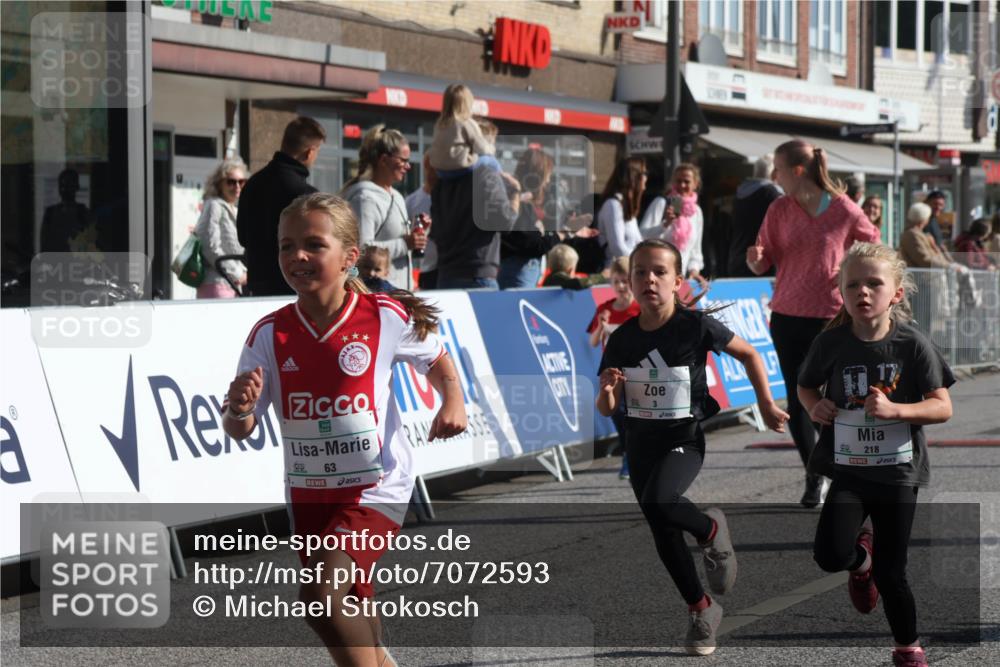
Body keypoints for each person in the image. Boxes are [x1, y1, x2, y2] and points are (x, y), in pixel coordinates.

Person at [223, 192, 466, 667]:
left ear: (350, 257)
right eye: (286, 246)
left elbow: (437, 359)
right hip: (311, 492)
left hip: (377, 487)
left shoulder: (383, 317)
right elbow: (241, 428)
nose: (297, 257)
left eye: (313, 245)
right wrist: (239, 408)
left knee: (320, 597)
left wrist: (452, 399)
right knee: (351, 600)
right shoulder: (268, 334)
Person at [597, 239, 789, 656]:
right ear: (629, 281)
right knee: (661, 529)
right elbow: (607, 404)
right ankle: (701, 610)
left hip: (684, 441)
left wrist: (766, 403)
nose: (650, 279)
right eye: (641, 272)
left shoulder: (694, 326)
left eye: (659, 272)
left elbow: (750, 354)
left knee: (662, 503)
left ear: (677, 280)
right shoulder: (622, 339)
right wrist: (609, 391)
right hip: (640, 443)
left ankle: (711, 528)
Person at [798, 242, 954, 667]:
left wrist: (897, 409)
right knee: (831, 555)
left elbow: (941, 406)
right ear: (841, 293)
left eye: (874, 283)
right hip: (848, 469)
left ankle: (908, 648)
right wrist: (815, 406)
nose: (863, 292)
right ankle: (858, 560)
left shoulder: (912, 345)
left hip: (898, 473)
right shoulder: (829, 344)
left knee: (893, 572)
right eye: (853, 285)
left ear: (897, 293)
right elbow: (806, 386)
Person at [746, 139, 880, 508]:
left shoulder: (843, 209)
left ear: (798, 171)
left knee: (834, 398)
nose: (774, 176)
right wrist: (755, 260)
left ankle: (841, 468)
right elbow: (763, 260)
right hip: (787, 314)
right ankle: (814, 473)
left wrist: (852, 273)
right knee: (798, 398)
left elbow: (875, 247)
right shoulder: (779, 208)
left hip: (830, 315)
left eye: (778, 168)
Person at [237, 116, 325, 296]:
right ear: (309, 152)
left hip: (258, 285)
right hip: (295, 286)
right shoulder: (306, 194)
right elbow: (318, 245)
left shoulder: (253, 183)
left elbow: (242, 237)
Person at [499, 148, 599, 289]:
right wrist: (566, 231)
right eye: (547, 176)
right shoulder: (519, 204)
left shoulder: (523, 203)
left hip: (523, 272)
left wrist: (569, 230)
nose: (548, 181)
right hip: (519, 273)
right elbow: (536, 245)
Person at [341, 125, 425, 291]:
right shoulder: (364, 198)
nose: (408, 167)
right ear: (384, 160)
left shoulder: (397, 196)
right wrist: (404, 244)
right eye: (403, 160)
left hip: (398, 294)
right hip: (375, 297)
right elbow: (361, 250)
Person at [430, 142, 521, 290]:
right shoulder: (487, 174)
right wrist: (515, 192)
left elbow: (435, 232)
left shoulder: (442, 181)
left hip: (447, 274)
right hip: (478, 274)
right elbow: (506, 222)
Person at [587, 256, 640, 480]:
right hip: (611, 372)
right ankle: (628, 454)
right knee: (618, 414)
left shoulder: (639, 308)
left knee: (633, 416)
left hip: (637, 371)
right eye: (616, 281)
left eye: (625, 281)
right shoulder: (605, 308)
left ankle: (635, 456)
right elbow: (593, 341)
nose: (620, 286)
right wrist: (602, 325)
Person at [639, 163, 708, 287]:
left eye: (686, 182)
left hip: (679, 280)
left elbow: (695, 250)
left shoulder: (696, 212)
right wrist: (664, 225)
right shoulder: (661, 203)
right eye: (678, 181)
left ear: (695, 185)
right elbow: (641, 236)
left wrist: (694, 271)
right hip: (655, 279)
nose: (682, 185)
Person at [194, 158, 247, 298]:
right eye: (231, 181)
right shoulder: (214, 205)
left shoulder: (233, 208)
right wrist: (237, 273)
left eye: (241, 182)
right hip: (217, 284)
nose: (237, 186)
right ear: (219, 183)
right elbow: (209, 245)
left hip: (231, 284)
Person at [427, 84, 498, 179]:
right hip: (460, 167)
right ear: (467, 103)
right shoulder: (466, 123)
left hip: (440, 170)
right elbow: (482, 148)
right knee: (491, 161)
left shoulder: (439, 124)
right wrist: (492, 149)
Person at [727, 154, 781, 277]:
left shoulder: (740, 192)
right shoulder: (773, 194)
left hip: (737, 258)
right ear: (774, 173)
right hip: (761, 262)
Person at [597, 157, 648, 268]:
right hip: (616, 275)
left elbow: (638, 242)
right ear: (633, 176)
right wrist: (642, 265)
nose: (646, 178)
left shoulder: (627, 205)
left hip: (630, 272)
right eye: (644, 173)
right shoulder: (613, 205)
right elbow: (617, 247)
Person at [40, 168, 97, 254]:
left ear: (76, 187)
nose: (65, 190)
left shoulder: (84, 214)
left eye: (69, 185)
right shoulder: (50, 213)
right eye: (62, 186)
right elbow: (44, 245)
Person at [405, 154, 439, 289]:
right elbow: (405, 237)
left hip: (450, 269)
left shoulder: (451, 199)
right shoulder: (412, 201)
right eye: (434, 167)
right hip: (426, 270)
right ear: (426, 166)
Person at [541, 244, 605, 289]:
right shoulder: (558, 278)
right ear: (570, 270)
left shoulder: (550, 278)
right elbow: (577, 284)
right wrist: (601, 277)